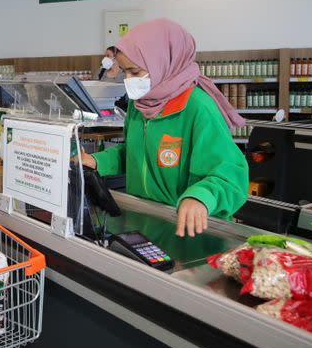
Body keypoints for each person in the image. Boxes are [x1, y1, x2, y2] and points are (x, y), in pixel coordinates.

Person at [81, 19, 248, 238]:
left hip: (193, 228)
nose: (128, 80)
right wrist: (97, 161)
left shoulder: (198, 108)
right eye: (125, 72)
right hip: (148, 219)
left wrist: (200, 197)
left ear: (163, 62)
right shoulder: (140, 104)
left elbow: (230, 175)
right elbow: (132, 153)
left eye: (135, 72)